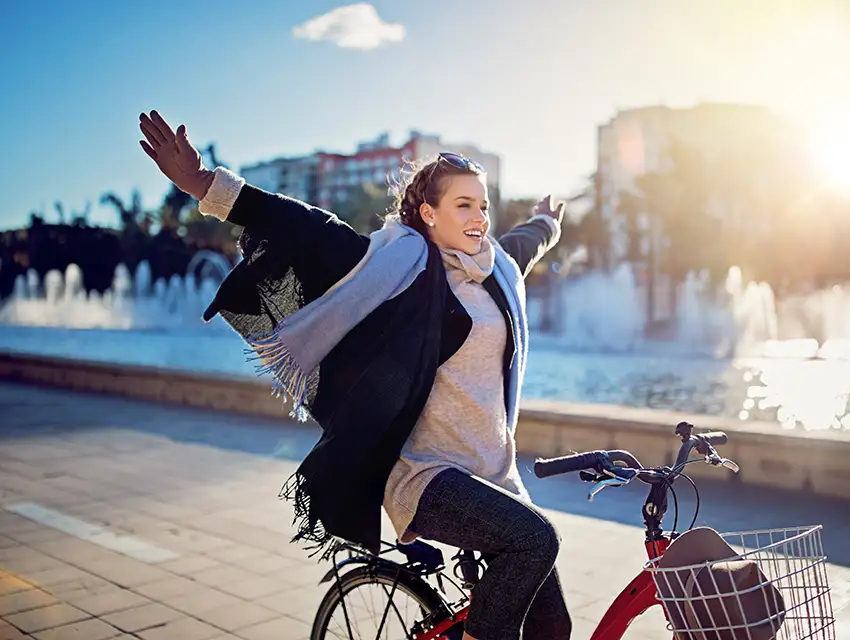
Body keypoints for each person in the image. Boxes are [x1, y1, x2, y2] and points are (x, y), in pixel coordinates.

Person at [138, 110, 572, 640]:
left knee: (552, 623)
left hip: (494, 475)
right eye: (463, 205)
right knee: (535, 540)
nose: (479, 216)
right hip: (424, 472)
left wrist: (547, 222)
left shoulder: (497, 270)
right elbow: (304, 226)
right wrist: (204, 183)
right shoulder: (398, 268)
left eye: (483, 205)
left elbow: (524, 242)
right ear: (429, 214)